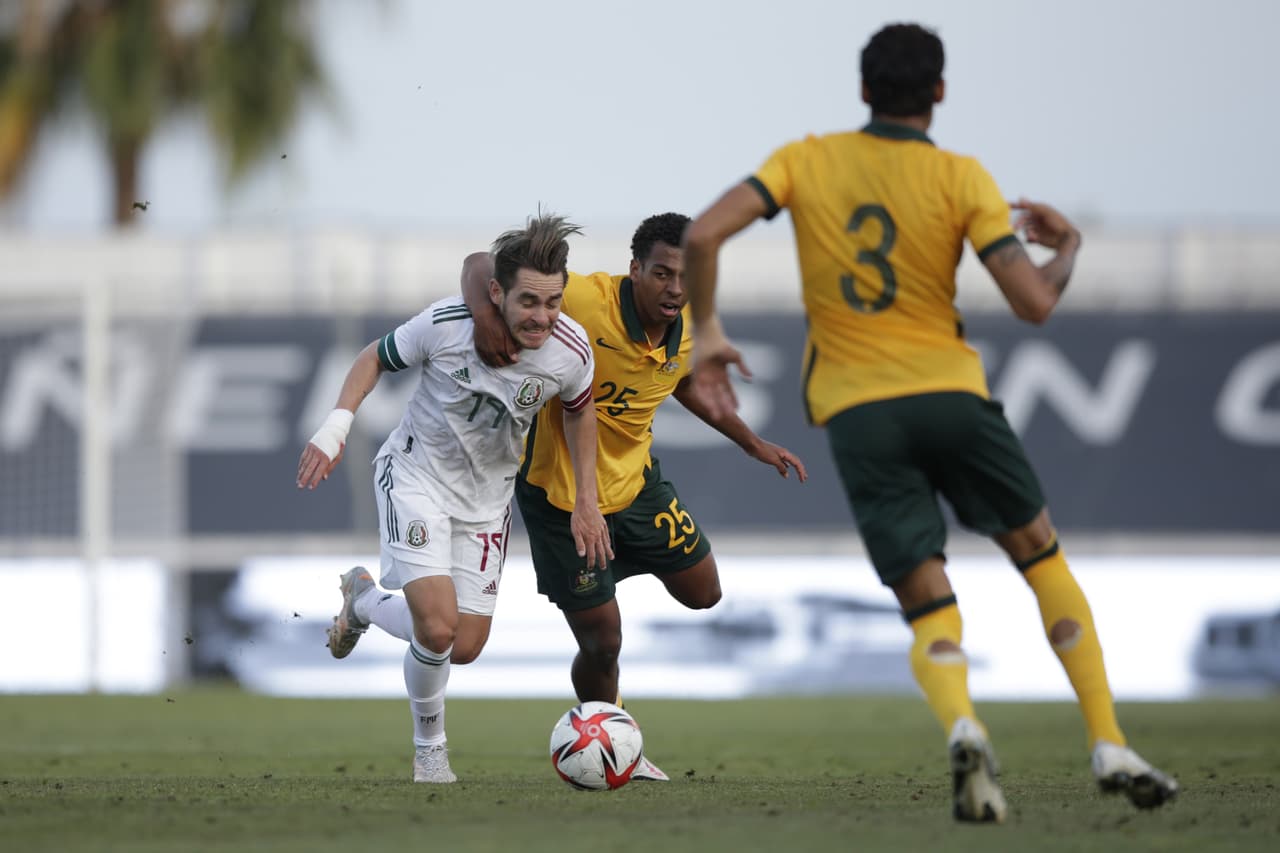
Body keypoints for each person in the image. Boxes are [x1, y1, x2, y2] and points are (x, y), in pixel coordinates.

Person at [680, 23, 1178, 822]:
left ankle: (963, 724)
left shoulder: (804, 160)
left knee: (927, 599)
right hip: (950, 393)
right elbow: (1036, 302)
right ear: (939, 92)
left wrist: (707, 332)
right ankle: (1109, 737)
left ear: (863, 90)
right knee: (1038, 554)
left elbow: (703, 232)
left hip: (856, 411)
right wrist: (1070, 244)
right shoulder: (962, 178)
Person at [462, 212, 808, 780]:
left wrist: (751, 442)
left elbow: (685, 378)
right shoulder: (583, 300)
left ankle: (609, 590)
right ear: (635, 271)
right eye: (662, 274)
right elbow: (480, 265)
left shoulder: (691, 322)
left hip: (637, 486)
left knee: (705, 594)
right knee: (604, 642)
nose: (676, 288)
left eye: (686, 275)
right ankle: (610, 738)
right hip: (561, 497)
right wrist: (486, 319)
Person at [296, 212, 611, 784]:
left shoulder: (571, 350)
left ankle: (362, 601)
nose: (542, 317)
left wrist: (587, 498)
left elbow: (581, 409)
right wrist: (336, 426)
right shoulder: (446, 324)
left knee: (464, 645)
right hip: (415, 478)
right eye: (528, 302)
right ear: (497, 293)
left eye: (553, 302)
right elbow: (373, 357)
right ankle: (430, 752)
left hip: (488, 502)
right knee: (437, 629)